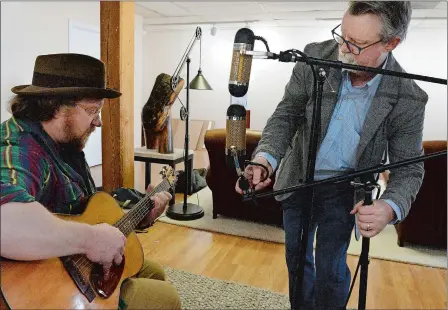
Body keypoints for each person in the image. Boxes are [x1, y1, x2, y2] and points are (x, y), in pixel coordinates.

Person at [236, 2, 427, 309]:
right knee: (297, 262)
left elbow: (410, 168)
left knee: (331, 269)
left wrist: (389, 207)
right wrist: (265, 158)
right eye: (343, 36)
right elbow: (287, 114)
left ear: (392, 43)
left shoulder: (408, 96)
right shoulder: (314, 57)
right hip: (299, 178)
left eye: (359, 44)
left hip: (344, 191)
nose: (345, 49)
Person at [0, 53, 181, 309]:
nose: (98, 121)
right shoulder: (19, 146)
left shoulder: (67, 145)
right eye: (92, 110)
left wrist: (142, 215)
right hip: (44, 289)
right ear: (56, 105)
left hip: (75, 263)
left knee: (152, 272)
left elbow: (84, 210)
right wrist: (89, 239)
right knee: (165, 298)